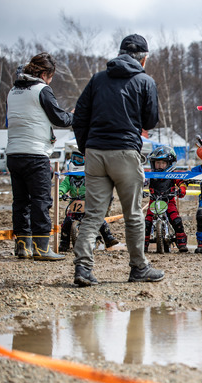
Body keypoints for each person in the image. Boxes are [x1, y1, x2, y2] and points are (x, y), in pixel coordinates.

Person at [72, 34, 164, 286]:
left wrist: (87, 147)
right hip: (125, 152)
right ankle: (138, 268)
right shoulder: (145, 81)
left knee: (92, 215)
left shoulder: (97, 79)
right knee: (133, 214)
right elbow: (150, 121)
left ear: (120, 53)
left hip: (95, 153)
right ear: (143, 59)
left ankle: (83, 269)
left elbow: (79, 116)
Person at [6, 52, 73, 261]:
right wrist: (75, 115)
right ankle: (42, 248)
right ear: (44, 74)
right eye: (51, 76)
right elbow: (59, 118)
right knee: (41, 201)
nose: (51, 80)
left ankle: (22, 246)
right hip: (35, 154)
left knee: (20, 202)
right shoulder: (42, 90)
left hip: (13, 153)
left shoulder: (13, 91)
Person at [58, 151, 119, 252]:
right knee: (66, 222)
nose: (75, 162)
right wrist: (61, 192)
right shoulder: (69, 178)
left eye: (79, 159)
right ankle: (64, 243)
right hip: (74, 204)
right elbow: (63, 186)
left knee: (99, 219)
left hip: (89, 203)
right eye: (74, 159)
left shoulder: (89, 176)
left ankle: (108, 238)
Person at [144, 146, 188, 253]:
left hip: (169, 201)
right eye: (157, 163)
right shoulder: (150, 175)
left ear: (169, 163)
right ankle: (143, 244)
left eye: (162, 163)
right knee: (147, 222)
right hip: (154, 202)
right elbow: (142, 182)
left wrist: (181, 190)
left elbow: (182, 182)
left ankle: (181, 242)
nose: (159, 166)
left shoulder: (173, 174)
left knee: (176, 219)